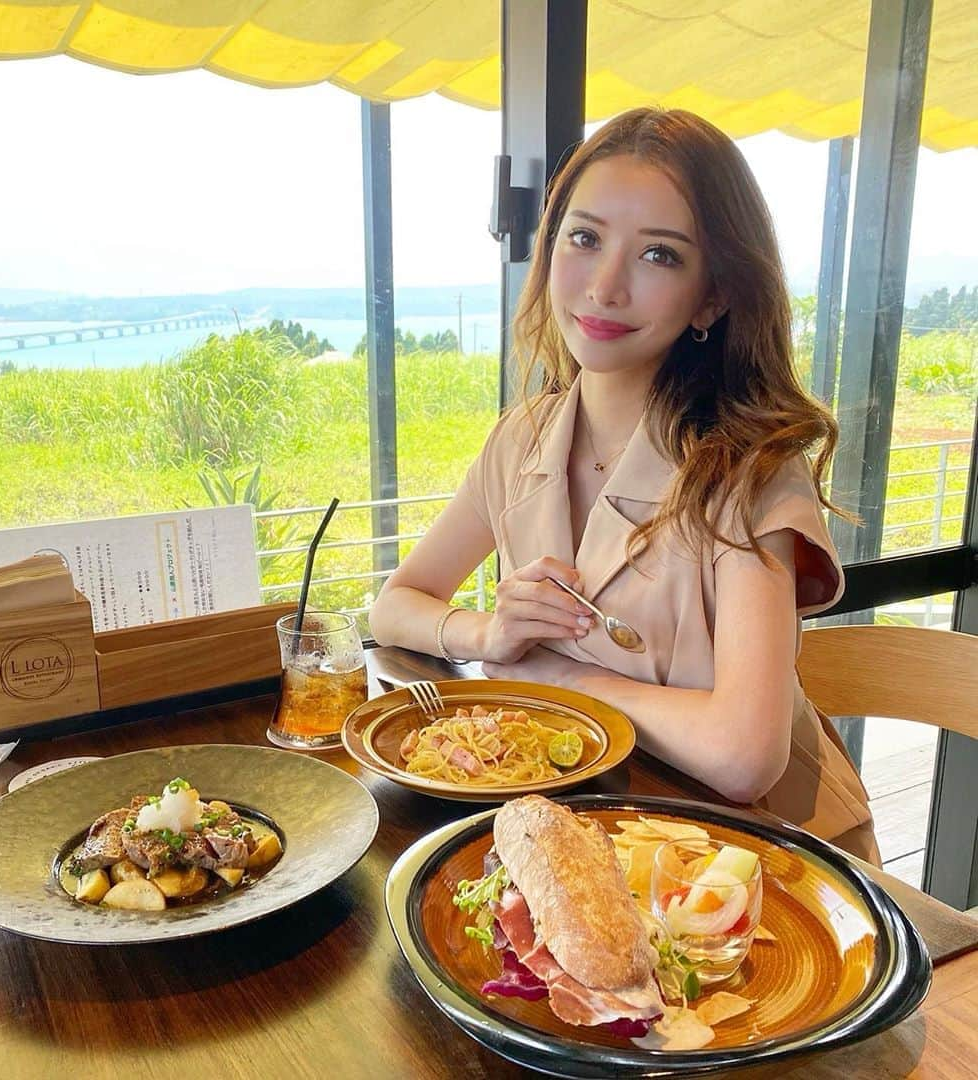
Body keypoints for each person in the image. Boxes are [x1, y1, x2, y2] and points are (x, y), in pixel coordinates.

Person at [368, 107, 879, 865]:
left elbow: (744, 756)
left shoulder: (747, 469)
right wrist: (489, 637)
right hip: (595, 829)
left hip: (767, 859)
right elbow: (396, 604)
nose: (605, 287)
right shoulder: (524, 437)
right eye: (584, 238)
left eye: (661, 256)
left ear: (712, 297)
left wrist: (555, 675)